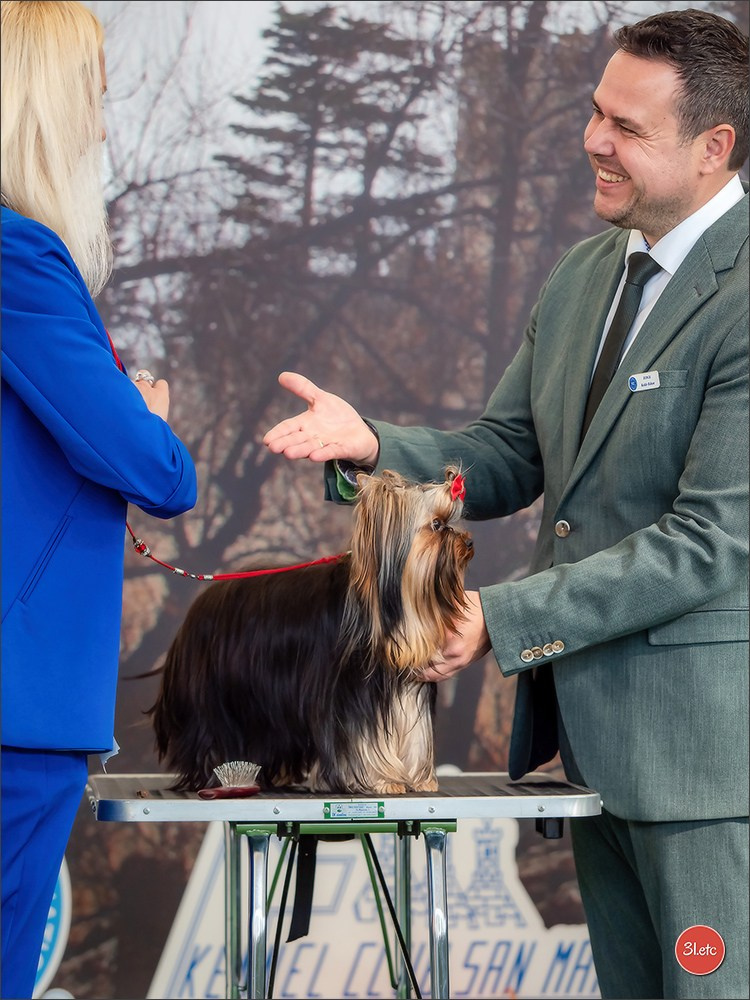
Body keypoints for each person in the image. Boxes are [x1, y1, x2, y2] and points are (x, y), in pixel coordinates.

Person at [263, 8, 748, 1000]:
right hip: (591, 760)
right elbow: (506, 457)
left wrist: (503, 618)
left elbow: (711, 541)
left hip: (707, 773)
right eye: (593, 113)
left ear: (714, 148)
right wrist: (376, 448)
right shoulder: (582, 276)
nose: (593, 141)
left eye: (627, 127)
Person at [0, 3, 198, 997]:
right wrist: (146, 413)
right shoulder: (16, 257)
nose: (104, 128)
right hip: (17, 700)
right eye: (93, 98)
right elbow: (157, 469)